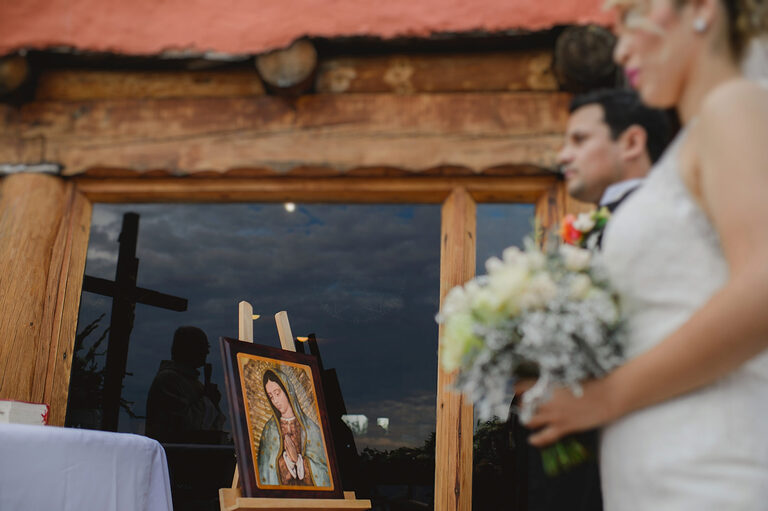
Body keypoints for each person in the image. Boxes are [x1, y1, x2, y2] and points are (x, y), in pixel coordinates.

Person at [520, 1, 768, 509]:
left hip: (707, 470)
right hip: (654, 472)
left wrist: (605, 398)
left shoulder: (733, 106)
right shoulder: (689, 147)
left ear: (702, 9)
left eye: (631, 20)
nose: (620, 49)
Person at [514, 89, 671, 511]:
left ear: (632, 142)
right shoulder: (603, 229)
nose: (563, 155)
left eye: (579, 140)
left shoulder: (666, 220)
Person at [145, 326, 226, 444]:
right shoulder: (168, 380)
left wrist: (212, 402)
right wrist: (208, 401)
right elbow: (186, 426)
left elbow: (213, 426)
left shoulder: (192, 383)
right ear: (189, 348)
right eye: (203, 347)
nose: (207, 352)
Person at [257, 369, 331, 487]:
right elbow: (265, 471)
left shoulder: (311, 428)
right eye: (271, 397)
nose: (275, 401)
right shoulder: (269, 430)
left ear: (288, 391)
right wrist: (288, 462)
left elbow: (325, 471)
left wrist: (299, 461)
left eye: (277, 393)